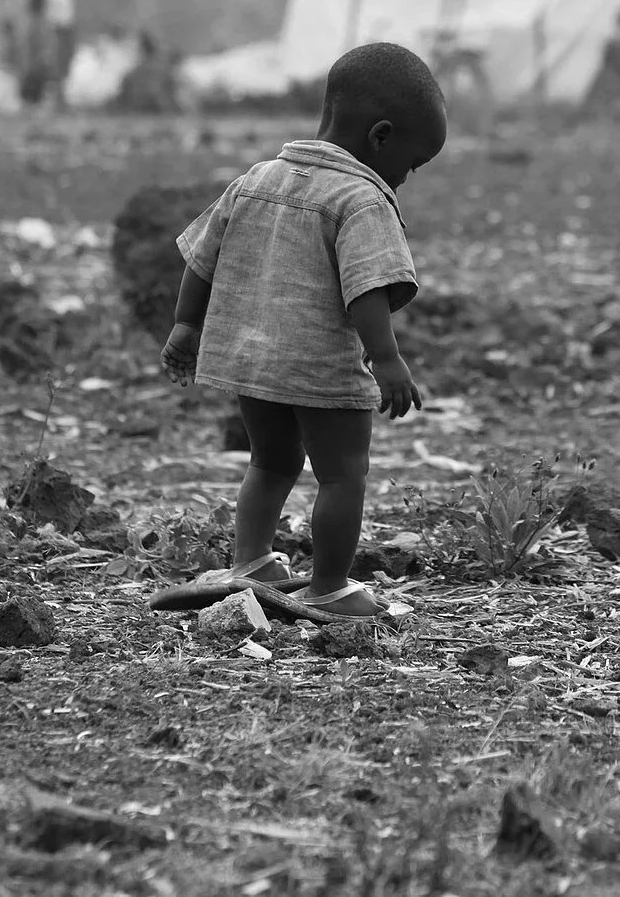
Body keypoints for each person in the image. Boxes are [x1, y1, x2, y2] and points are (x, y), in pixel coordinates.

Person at [159, 42, 446, 619]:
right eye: (412, 164)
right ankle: (330, 587)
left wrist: (187, 325)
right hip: (319, 367)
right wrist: (386, 360)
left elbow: (202, 261)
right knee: (343, 476)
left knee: (270, 462)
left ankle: (251, 562)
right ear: (380, 137)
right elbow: (367, 288)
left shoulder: (257, 178)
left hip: (254, 363)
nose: (407, 178)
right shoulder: (360, 198)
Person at [35, 0, 77, 107]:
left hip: (65, 29)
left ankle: (60, 100)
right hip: (52, 29)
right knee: (50, 65)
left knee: (62, 65)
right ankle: (48, 100)